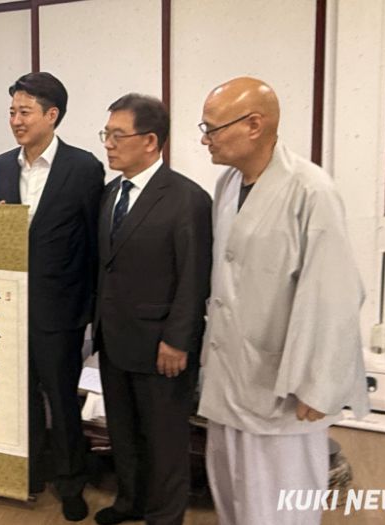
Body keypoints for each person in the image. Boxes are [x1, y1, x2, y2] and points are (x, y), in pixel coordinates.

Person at [197, 77, 369, 525]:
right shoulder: (227, 185)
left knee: (278, 499)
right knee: (232, 489)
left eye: (213, 128)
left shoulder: (311, 190)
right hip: (231, 370)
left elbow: (333, 294)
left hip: (283, 383)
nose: (205, 138)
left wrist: (319, 383)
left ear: (254, 124)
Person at [0, 72, 104, 521]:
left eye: (25, 111)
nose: (16, 120)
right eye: (13, 111)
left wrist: (91, 311)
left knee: (61, 398)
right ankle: (31, 473)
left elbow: (96, 245)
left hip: (61, 310)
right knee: (21, 397)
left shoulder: (83, 167)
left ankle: (71, 480)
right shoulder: (2, 165)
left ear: (51, 115)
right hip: (11, 307)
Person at [92, 93, 212, 525]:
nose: (108, 143)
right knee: (123, 432)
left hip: (162, 345)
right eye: (106, 134)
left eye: (117, 135)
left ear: (150, 141)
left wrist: (178, 340)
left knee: (165, 440)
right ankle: (130, 502)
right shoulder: (110, 195)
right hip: (115, 339)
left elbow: (194, 277)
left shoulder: (186, 199)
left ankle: (165, 517)